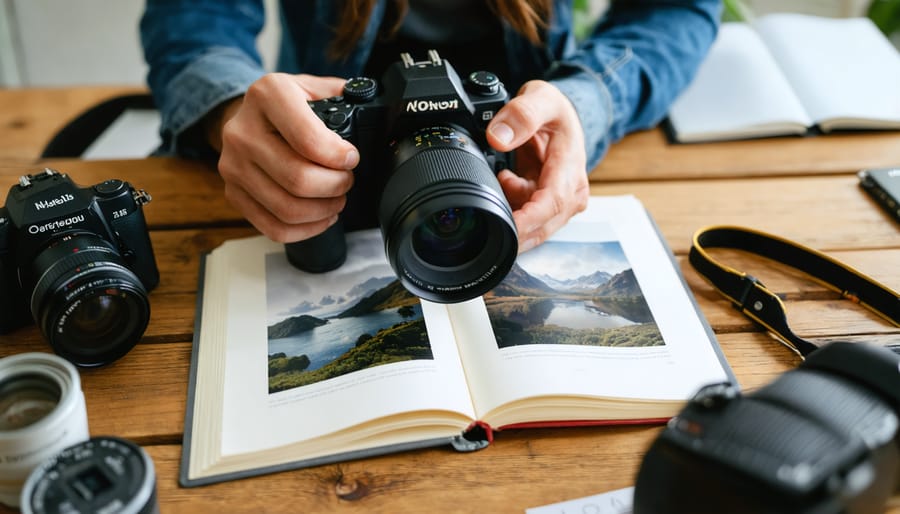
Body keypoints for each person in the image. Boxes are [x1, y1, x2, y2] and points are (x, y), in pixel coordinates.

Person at [140, 0, 720, 253]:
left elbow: (674, 7)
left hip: (519, 128)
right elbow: (193, 18)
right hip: (328, 145)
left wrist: (583, 101)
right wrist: (235, 112)